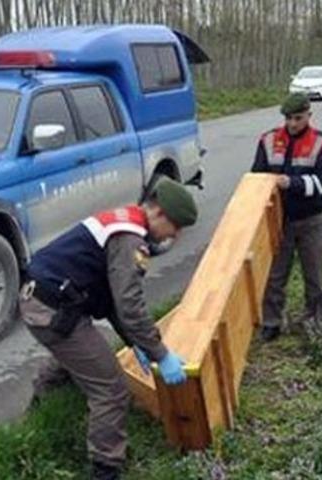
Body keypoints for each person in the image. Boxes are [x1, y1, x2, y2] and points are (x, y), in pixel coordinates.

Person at [20, 178, 198, 479]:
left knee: (78, 355)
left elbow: (112, 299)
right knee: (111, 388)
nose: (174, 237)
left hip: (44, 298)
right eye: (176, 229)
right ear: (159, 215)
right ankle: (106, 467)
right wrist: (161, 353)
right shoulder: (130, 239)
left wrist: (137, 343)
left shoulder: (125, 218)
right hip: (52, 310)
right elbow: (129, 305)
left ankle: (40, 415)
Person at [251, 93, 322, 342]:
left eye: (298, 118)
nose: (292, 124)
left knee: (315, 275)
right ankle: (271, 322)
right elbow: (257, 177)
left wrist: (291, 183)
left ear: (309, 115)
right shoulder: (267, 140)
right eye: (288, 118)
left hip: (311, 220)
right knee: (275, 274)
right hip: (279, 220)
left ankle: (316, 321)